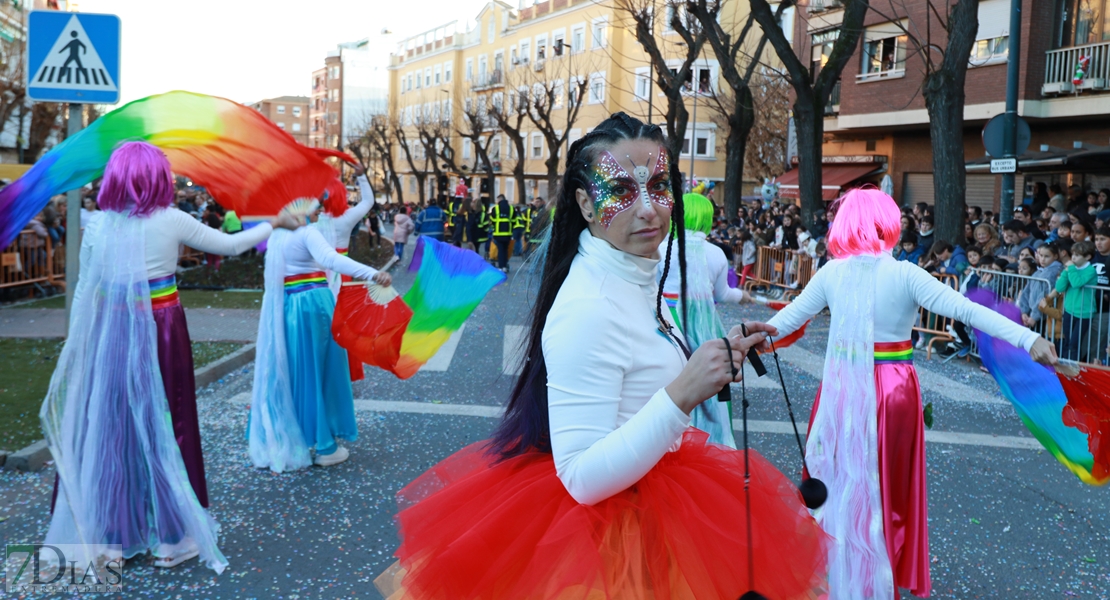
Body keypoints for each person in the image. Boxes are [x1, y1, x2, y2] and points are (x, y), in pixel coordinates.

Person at [375, 113, 828, 600]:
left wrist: (715, 359)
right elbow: (582, 479)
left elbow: (638, 372)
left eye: (657, 185)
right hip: (607, 544)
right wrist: (681, 394)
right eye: (622, 191)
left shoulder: (636, 273)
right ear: (586, 204)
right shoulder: (589, 307)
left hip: (660, 509)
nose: (649, 210)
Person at [766, 188, 1056, 599]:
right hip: (892, 390)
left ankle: (838, 573)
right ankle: (876, 577)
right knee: (888, 490)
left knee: (836, 479)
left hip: (843, 391)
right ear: (888, 224)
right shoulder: (904, 274)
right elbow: (968, 311)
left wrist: (742, 340)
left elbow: (784, 321)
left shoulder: (833, 273)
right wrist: (1029, 339)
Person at [43, 141, 297, 572]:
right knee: (170, 422)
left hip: (109, 332)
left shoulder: (100, 225)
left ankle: (114, 539)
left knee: (114, 429)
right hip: (160, 327)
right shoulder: (171, 219)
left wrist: (78, 342)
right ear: (157, 178)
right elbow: (229, 245)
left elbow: (85, 288)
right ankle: (172, 537)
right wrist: (275, 223)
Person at [250, 201, 392, 473]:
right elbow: (331, 259)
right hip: (315, 305)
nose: (318, 211)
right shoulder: (307, 233)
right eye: (314, 205)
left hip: (288, 307)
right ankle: (325, 447)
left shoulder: (277, 235)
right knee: (326, 372)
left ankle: (297, 438)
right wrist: (373, 274)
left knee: (298, 372)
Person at [658, 192, 753, 448]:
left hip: (667, 321)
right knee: (709, 379)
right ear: (707, 219)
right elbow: (722, 294)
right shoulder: (716, 254)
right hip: (704, 327)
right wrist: (742, 296)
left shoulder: (662, 247)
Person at [1044, 241, 1098, 362]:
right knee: (1067, 341)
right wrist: (1066, 272)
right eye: (1073, 254)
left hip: (1084, 312)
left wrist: (1071, 268)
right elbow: (1060, 287)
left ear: (1087, 257)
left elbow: (1077, 283)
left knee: (1074, 343)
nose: (1073, 257)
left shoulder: (1090, 270)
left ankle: (1073, 368)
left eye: (1077, 255)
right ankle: (1065, 367)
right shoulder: (1071, 269)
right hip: (1069, 310)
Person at [489, 194, 514, 272]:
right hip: (508, 233)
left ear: (500, 199)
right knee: (505, 250)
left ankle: (500, 267)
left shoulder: (495, 209)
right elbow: (513, 221)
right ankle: (505, 266)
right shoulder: (511, 209)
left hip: (498, 233)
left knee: (500, 250)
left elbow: (492, 220)